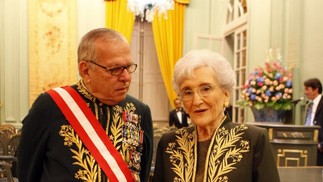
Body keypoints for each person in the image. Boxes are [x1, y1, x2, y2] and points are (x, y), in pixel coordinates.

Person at [17, 28, 153, 182]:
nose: (126, 77)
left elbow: (143, 171)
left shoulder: (140, 112)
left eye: (128, 67)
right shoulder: (50, 106)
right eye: (115, 69)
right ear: (86, 70)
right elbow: (26, 171)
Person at [153, 49, 280, 181]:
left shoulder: (254, 139)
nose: (196, 101)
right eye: (188, 92)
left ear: (226, 95)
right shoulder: (169, 143)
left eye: (206, 89)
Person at [304, 78, 323, 165]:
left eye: (307, 89)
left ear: (316, 89)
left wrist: (321, 145)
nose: (305, 92)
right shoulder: (310, 105)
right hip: (310, 146)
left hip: (320, 148)